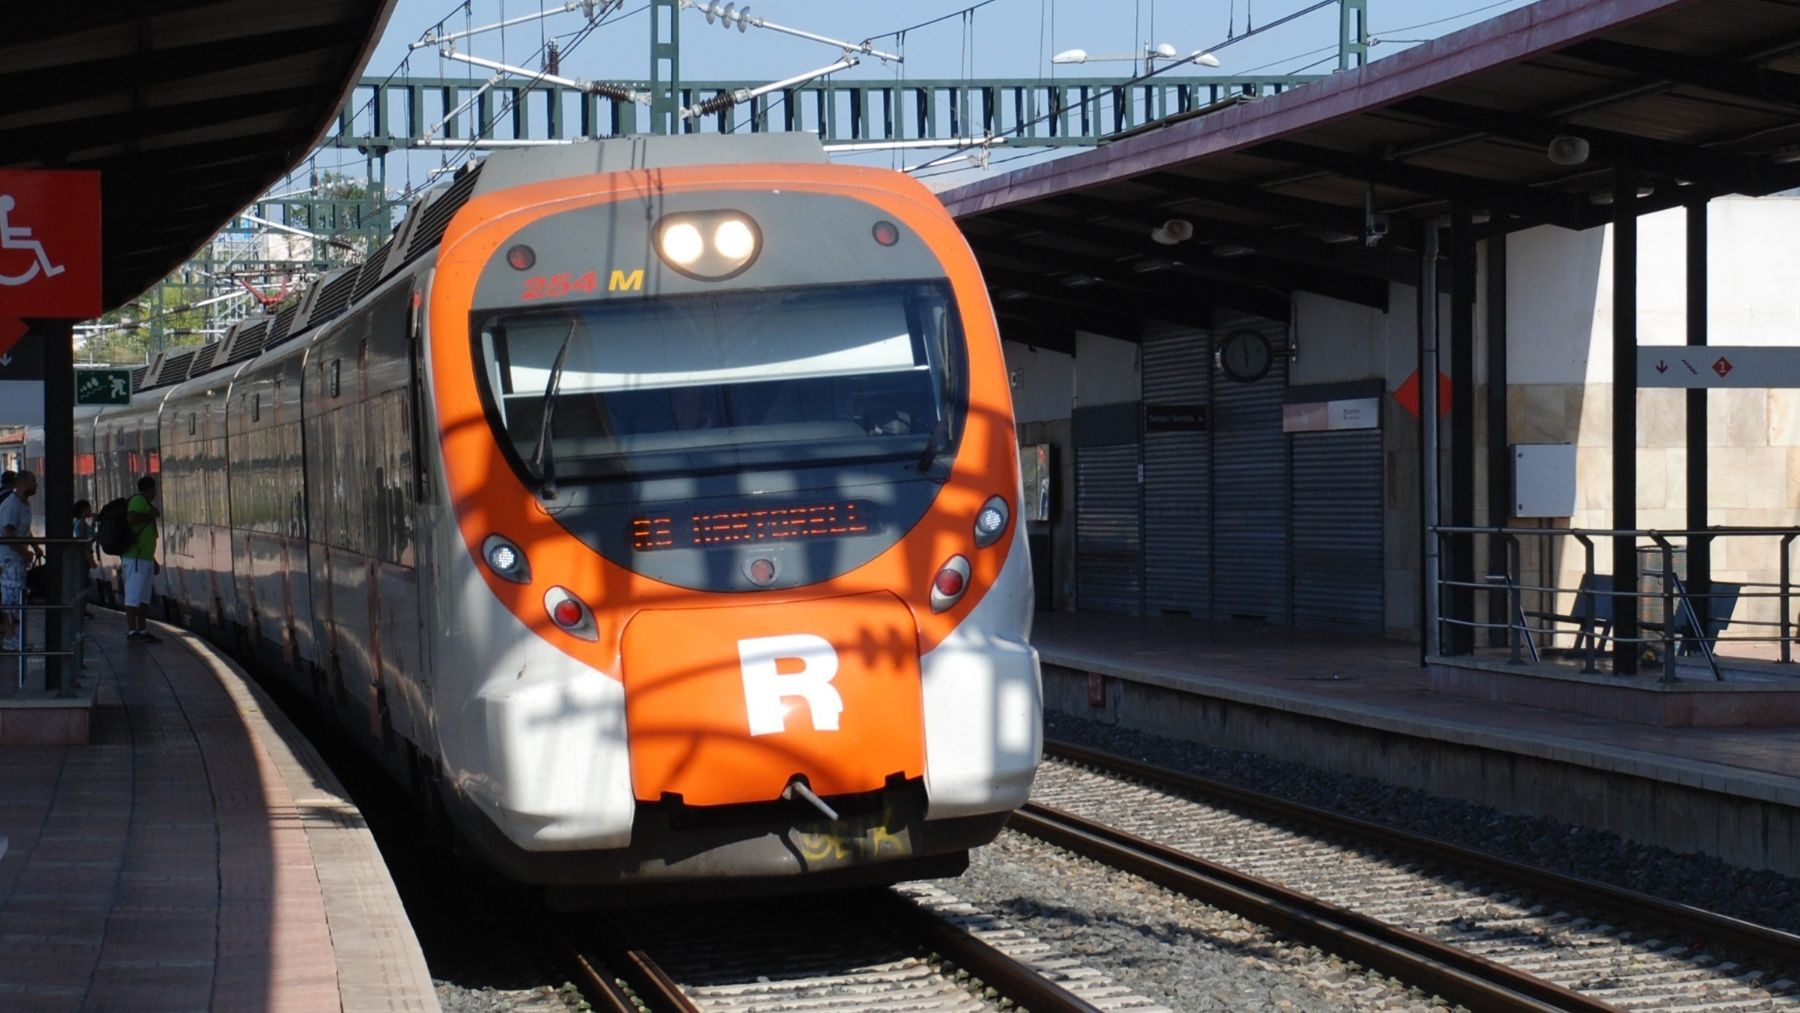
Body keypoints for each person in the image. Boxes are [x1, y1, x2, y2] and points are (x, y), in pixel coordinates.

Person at [1, 470, 40, 653]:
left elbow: (24, 529)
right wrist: (25, 552)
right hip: (9, 561)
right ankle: (10, 638)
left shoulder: (25, 504)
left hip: (17, 561)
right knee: (11, 600)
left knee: (17, 598)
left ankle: (15, 637)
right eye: (33, 481)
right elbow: (8, 534)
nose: (36, 485)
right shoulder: (12, 505)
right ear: (23, 484)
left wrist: (35, 547)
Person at [123, 476, 161, 644]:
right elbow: (131, 519)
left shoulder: (143, 502)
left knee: (144, 596)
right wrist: (149, 514)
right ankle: (132, 631)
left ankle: (142, 629)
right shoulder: (138, 501)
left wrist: (152, 559)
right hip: (135, 558)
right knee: (133, 595)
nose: (156, 493)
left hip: (144, 558)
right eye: (155, 489)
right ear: (150, 489)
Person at [72, 500, 98, 617]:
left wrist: (94, 522)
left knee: (83, 584)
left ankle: (82, 609)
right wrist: (90, 557)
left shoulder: (80, 523)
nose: (90, 510)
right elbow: (84, 542)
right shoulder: (81, 524)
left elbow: (89, 536)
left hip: (82, 558)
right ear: (83, 509)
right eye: (88, 508)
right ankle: (81, 610)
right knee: (83, 585)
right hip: (83, 559)